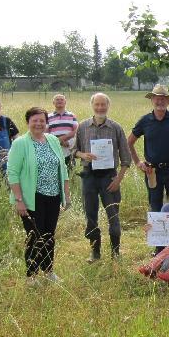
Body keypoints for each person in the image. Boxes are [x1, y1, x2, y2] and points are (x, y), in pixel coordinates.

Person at [7, 107, 70, 283]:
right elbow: (12, 173)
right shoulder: (20, 143)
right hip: (31, 198)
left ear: (46, 123)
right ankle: (31, 275)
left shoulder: (52, 140)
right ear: (28, 122)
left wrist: (66, 194)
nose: (38, 124)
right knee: (34, 236)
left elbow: (62, 168)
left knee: (49, 235)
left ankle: (49, 271)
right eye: (35, 120)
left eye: (42, 120)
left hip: (53, 196)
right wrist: (19, 200)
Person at [73, 92, 132, 262]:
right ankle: (95, 252)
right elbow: (73, 151)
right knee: (90, 215)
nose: (100, 108)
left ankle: (116, 253)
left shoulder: (116, 128)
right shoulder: (83, 127)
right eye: (97, 104)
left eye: (103, 105)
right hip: (89, 177)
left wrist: (118, 179)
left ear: (108, 106)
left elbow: (126, 158)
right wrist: (83, 155)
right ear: (92, 105)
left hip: (109, 178)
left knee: (113, 215)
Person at [129, 84, 169, 213]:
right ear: (152, 100)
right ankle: (157, 233)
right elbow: (129, 143)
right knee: (155, 205)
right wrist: (138, 163)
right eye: (157, 98)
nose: (160, 101)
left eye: (163, 98)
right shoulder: (145, 121)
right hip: (152, 171)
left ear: (168, 101)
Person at [47, 94, 79, 170]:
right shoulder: (48, 116)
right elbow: (46, 133)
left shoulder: (72, 115)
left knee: (68, 172)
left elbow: (76, 130)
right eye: (57, 99)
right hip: (54, 150)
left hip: (68, 148)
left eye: (62, 99)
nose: (59, 101)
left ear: (65, 102)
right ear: (53, 102)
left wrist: (61, 139)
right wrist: (59, 141)